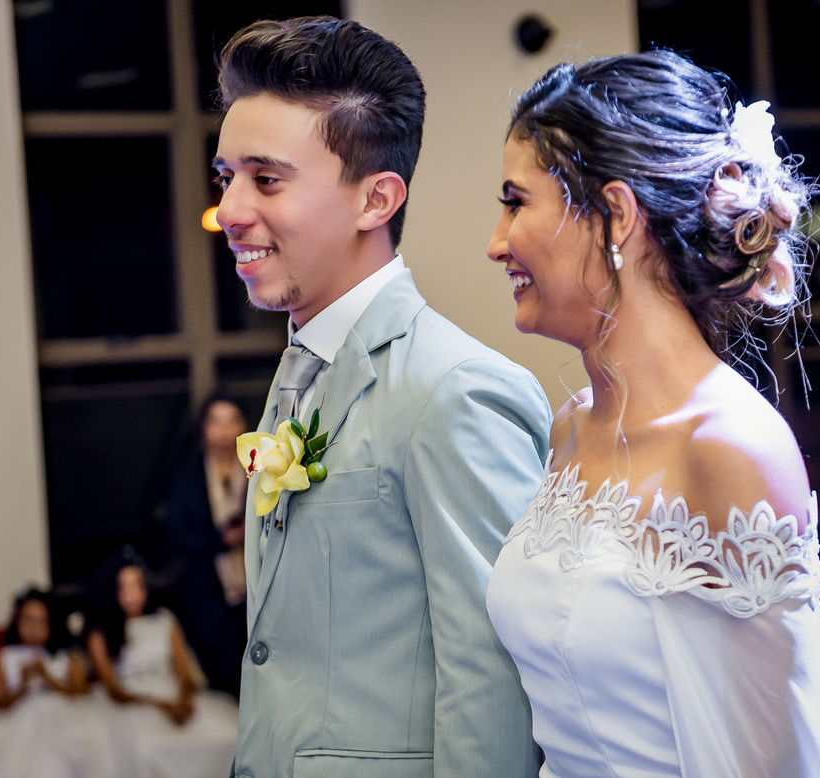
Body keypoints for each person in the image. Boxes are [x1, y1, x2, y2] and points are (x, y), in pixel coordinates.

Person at [483, 49, 820, 776]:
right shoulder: (571, 428)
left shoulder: (731, 449)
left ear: (615, 214)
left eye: (515, 202)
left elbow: (776, 760)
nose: (495, 243)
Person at [212, 16, 550, 778]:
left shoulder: (454, 390)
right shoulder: (300, 370)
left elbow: (490, 680)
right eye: (224, 177)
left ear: (376, 199)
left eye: (265, 179)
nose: (231, 210)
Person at [86, 553, 239, 778]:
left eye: (137, 585)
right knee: (149, 748)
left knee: (230, 734)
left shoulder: (163, 620)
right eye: (123, 587)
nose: (132, 595)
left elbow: (184, 672)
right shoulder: (100, 634)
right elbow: (113, 689)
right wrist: (163, 707)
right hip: (133, 708)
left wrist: (184, 702)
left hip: (174, 696)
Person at [0, 588, 98, 778]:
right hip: (21, 718)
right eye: (27, 620)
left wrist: (48, 679)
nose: (33, 628)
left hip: (62, 715)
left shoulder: (66, 655)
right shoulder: (5, 657)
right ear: (17, 621)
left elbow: (81, 692)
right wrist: (23, 684)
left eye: (41, 622)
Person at [162, 392, 249, 696]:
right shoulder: (188, 475)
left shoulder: (260, 468)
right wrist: (222, 540)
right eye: (216, 422)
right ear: (203, 428)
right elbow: (176, 534)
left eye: (232, 421)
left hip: (257, 584)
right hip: (208, 592)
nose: (224, 431)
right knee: (222, 676)